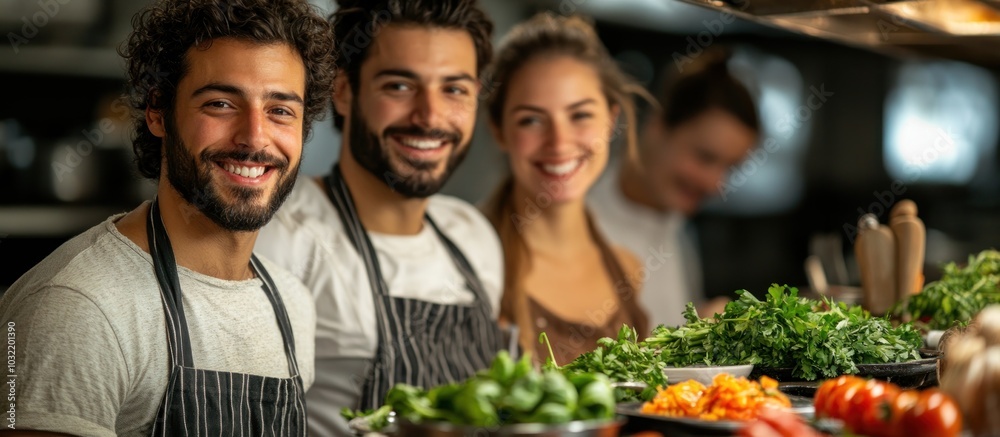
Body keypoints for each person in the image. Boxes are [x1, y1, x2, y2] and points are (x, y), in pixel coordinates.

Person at [0, 0, 335, 435]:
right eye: (220, 103)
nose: (254, 137)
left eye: (280, 110)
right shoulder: (79, 307)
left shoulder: (292, 303)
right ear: (158, 111)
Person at [253, 1, 503, 435]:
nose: (430, 116)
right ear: (344, 90)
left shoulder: (474, 236)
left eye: (454, 89)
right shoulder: (281, 235)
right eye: (400, 86)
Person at [480, 12, 650, 366]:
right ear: (499, 131)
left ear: (611, 119)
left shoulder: (628, 269)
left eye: (580, 115)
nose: (559, 142)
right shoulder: (468, 262)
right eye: (532, 120)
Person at [589, 49, 761, 328]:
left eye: (730, 168)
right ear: (658, 126)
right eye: (705, 157)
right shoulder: (581, 220)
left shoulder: (678, 228)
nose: (716, 184)